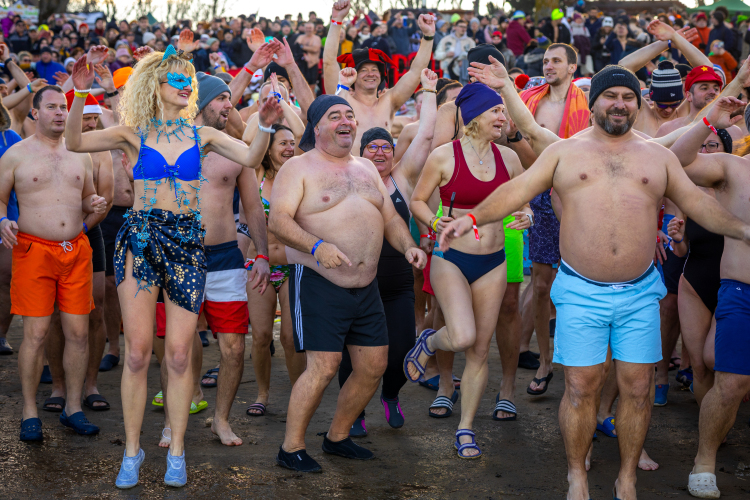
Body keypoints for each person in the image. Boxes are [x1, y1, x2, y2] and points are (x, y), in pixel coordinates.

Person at [444, 60, 750, 500]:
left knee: (638, 389)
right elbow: (519, 189)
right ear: (594, 103)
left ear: (638, 103)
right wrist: (472, 216)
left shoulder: (656, 155)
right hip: (581, 290)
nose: (620, 104)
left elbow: (698, 207)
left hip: (641, 291)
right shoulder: (564, 152)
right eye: (611, 95)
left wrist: (741, 230)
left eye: (628, 97)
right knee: (580, 387)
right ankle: (577, 475)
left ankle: (627, 478)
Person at [64, 44, 281, 488]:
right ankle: (131, 451)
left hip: (186, 242)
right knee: (140, 353)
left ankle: (177, 450)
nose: (186, 87)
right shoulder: (132, 133)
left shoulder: (203, 137)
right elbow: (73, 142)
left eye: (189, 80)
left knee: (181, 355)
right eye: (177, 80)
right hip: (139, 241)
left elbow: (252, 157)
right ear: (155, 86)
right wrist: (80, 94)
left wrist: (265, 120)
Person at [269, 94, 426, 473]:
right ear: (317, 127)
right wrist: (316, 245)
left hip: (366, 286)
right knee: (323, 367)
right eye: (334, 115)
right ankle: (291, 448)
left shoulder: (367, 169)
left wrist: (409, 248)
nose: (345, 121)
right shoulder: (298, 168)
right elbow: (279, 220)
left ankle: (338, 436)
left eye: (350, 116)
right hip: (320, 281)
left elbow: (389, 219)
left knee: (374, 365)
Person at [406, 82, 531, 458]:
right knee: (461, 335)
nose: (503, 118)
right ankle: (428, 341)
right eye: (497, 111)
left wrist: (527, 215)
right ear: (475, 115)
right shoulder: (444, 156)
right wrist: (433, 224)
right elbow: (417, 200)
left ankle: (465, 428)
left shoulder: (508, 159)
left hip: (495, 260)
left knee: (479, 348)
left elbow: (524, 203)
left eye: (503, 112)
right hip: (451, 257)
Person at [0, 83, 107, 442]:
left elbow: (89, 196)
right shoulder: (15, 155)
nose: (60, 113)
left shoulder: (81, 154)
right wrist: (3, 221)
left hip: (76, 250)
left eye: (64, 107)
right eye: (52, 107)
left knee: (78, 332)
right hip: (33, 251)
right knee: (36, 333)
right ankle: (30, 412)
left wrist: (93, 205)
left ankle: (73, 408)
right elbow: (0, 200)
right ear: (35, 112)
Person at [340, 67, 438, 435]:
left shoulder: (402, 177)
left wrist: (428, 90)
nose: (380, 152)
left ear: (394, 153)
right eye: (372, 147)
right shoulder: (350, 175)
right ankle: (355, 411)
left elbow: (426, 134)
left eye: (386, 147)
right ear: (360, 152)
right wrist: (342, 88)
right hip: (356, 280)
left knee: (400, 349)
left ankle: (391, 395)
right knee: (353, 356)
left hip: (397, 282)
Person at [667, 91, 750, 500]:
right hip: (741, 291)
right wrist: (709, 118)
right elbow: (678, 160)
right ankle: (704, 460)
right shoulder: (733, 169)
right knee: (730, 381)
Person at [519, 43, 589, 397]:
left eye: (556, 61)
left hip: (578, 196)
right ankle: (545, 361)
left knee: (579, 282)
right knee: (542, 285)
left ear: (572, 67)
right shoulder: (532, 100)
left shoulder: (589, 103)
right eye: (545, 61)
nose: (548, 66)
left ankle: (577, 359)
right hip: (541, 194)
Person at [44, 91, 114, 412]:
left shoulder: (100, 151)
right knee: (55, 315)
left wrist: (80, 231)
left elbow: (107, 199)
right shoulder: (48, 149)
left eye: (93, 118)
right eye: (84, 117)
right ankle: (58, 385)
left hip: (88, 233)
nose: (89, 123)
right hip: (50, 238)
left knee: (95, 310)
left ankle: (90, 384)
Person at [242, 121, 307, 418]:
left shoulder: (303, 174)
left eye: (291, 143)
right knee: (261, 336)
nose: (289, 148)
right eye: (282, 143)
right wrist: (265, 117)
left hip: (294, 267)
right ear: (267, 149)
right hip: (260, 266)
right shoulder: (254, 175)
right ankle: (262, 394)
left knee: (291, 337)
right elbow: (247, 140)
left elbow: (303, 130)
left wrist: (283, 97)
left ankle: (298, 393)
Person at [323, 0, 436, 153]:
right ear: (353, 75)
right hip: (349, 173)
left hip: (382, 174)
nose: (370, 74)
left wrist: (428, 36)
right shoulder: (342, 99)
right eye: (364, 70)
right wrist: (336, 21)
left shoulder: (389, 100)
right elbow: (329, 63)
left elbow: (416, 72)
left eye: (375, 70)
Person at [618, 20, 712, 137]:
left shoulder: (686, 112)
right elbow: (623, 67)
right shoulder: (643, 114)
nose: (668, 110)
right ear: (653, 99)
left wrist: (677, 39)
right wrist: (666, 43)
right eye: (662, 105)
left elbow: (708, 70)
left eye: (674, 105)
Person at [434, 19, 475, 83]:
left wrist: (465, 61)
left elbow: (474, 57)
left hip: (464, 73)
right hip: (447, 72)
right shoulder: (446, 39)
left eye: (465, 27)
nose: (463, 29)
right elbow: (436, 55)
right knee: (447, 92)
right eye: (461, 26)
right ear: (455, 27)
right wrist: (446, 54)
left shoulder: (470, 42)